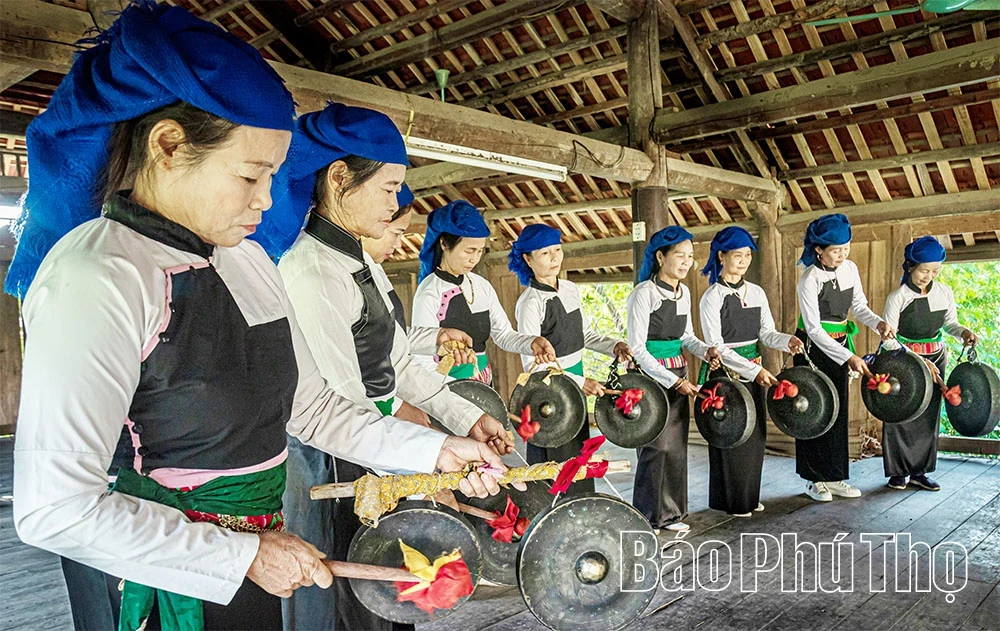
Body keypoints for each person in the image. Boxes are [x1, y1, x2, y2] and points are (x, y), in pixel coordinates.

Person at [7, 5, 502, 630]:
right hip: (156, 584)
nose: (269, 200)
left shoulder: (245, 262)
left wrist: (438, 450)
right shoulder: (99, 273)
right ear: (168, 146)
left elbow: (315, 409)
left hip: (255, 560)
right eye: (251, 174)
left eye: (274, 174)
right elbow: (56, 508)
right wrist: (239, 554)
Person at [258, 103, 513, 631]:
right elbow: (336, 406)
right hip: (332, 460)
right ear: (338, 178)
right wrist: (431, 458)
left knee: (389, 594)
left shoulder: (361, 263)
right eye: (388, 187)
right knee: (344, 604)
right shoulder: (310, 269)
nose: (397, 202)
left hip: (377, 446)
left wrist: (465, 417)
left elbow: (399, 363)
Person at [508, 223, 632, 492]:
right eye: (544, 253)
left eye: (557, 250)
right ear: (527, 259)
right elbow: (533, 365)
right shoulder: (530, 303)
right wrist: (578, 381)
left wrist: (614, 345)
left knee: (577, 457)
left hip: (573, 388)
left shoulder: (569, 289)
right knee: (554, 464)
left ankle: (581, 513)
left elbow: (582, 335)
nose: (554, 258)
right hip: (549, 394)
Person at [698, 227, 804, 517]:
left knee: (754, 436)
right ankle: (730, 501)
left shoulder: (756, 292)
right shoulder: (712, 297)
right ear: (721, 256)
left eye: (747, 255)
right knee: (730, 435)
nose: (743, 261)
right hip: (726, 377)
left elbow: (766, 333)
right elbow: (716, 346)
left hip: (754, 370)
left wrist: (787, 340)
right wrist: (751, 370)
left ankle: (747, 496)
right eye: (737, 255)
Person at [627, 226, 721, 533]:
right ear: (660, 256)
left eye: (690, 256)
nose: (685, 262)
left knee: (676, 446)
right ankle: (648, 515)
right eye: (678, 255)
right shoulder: (644, 293)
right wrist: (671, 380)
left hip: (678, 372)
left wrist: (705, 351)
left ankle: (673, 514)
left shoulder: (684, 293)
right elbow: (637, 348)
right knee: (655, 447)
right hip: (650, 378)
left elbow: (688, 337)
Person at [795, 213, 893, 502]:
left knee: (837, 412)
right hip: (812, 349)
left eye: (845, 249)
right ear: (819, 250)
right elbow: (812, 328)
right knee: (813, 412)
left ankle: (835, 476)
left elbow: (859, 306)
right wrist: (848, 356)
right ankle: (814, 479)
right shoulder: (809, 278)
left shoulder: (850, 269)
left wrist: (878, 323)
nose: (842, 255)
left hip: (839, 344)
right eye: (836, 251)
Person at [411, 200, 556, 383]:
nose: (474, 259)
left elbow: (503, 335)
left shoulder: (481, 286)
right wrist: (450, 396)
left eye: (479, 251)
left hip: (484, 382)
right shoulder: (429, 293)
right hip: (447, 387)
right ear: (444, 244)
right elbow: (422, 359)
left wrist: (532, 342)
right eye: (469, 251)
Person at [882, 236, 977, 492]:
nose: (929, 275)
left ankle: (919, 471)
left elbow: (950, 325)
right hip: (904, 362)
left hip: (936, 357)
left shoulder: (944, 292)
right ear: (911, 266)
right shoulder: (898, 297)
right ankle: (898, 473)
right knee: (900, 414)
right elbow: (889, 340)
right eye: (924, 270)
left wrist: (964, 332)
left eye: (935, 270)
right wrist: (918, 360)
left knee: (927, 416)